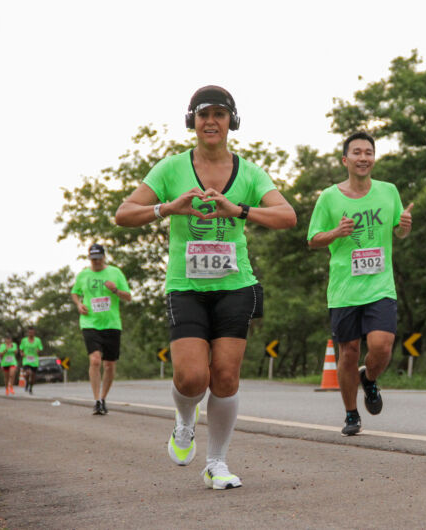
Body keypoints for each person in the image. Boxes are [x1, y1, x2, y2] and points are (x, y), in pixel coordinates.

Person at [115, 85, 296, 490]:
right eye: (203, 115)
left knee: (226, 378)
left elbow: (288, 216)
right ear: (191, 122)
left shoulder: (248, 172)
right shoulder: (170, 169)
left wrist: (239, 209)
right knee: (192, 378)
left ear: (232, 120)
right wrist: (169, 207)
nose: (211, 121)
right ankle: (184, 420)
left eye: (219, 114)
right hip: (187, 288)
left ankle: (217, 462)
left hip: (237, 285)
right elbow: (123, 214)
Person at [307, 131, 413, 436]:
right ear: (345, 160)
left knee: (382, 346)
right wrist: (336, 233)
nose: (363, 157)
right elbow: (313, 240)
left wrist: (404, 227)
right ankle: (352, 413)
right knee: (349, 352)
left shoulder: (388, 191)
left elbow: (399, 232)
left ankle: (369, 379)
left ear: (373, 158)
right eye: (357, 152)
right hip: (344, 289)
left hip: (380, 286)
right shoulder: (329, 197)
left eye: (368, 152)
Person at [71, 243, 132, 415]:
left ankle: (104, 398)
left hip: (112, 324)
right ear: (89, 258)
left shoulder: (115, 273)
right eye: (93, 259)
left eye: (98, 259)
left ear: (104, 257)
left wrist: (115, 290)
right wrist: (78, 304)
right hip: (90, 323)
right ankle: (96, 400)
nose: (96, 262)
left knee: (110, 365)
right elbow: (74, 292)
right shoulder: (83, 274)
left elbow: (128, 297)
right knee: (95, 360)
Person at [19, 326, 43, 394]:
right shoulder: (24, 340)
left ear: (34, 332)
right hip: (26, 360)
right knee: (28, 372)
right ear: (28, 333)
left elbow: (40, 348)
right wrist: (21, 353)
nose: (31, 333)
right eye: (29, 332)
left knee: (33, 376)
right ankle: (26, 382)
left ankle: (30, 387)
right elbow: (21, 348)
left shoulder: (38, 340)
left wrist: (39, 350)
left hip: (34, 360)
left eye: (32, 332)